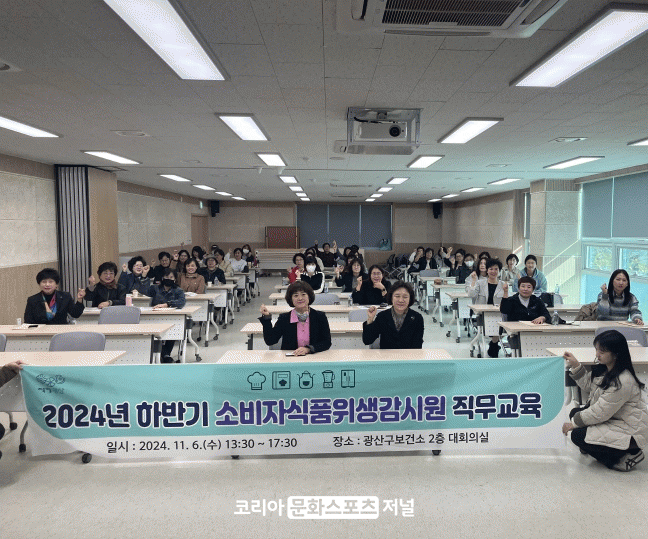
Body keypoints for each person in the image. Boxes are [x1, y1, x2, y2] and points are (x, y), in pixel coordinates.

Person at [563, 330, 647, 471]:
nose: (597, 354)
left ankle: (629, 455)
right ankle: (594, 445)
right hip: (615, 419)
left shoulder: (623, 380)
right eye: (596, 349)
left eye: (602, 351)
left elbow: (599, 412)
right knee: (575, 413)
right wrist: (575, 365)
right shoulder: (606, 369)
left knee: (577, 435)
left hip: (631, 431)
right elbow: (588, 385)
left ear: (616, 353)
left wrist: (573, 424)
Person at [258, 281, 331, 355]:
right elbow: (270, 340)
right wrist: (267, 318)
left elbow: (327, 342)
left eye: (303, 294)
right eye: (296, 295)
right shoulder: (284, 318)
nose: (300, 298)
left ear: (309, 296)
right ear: (291, 299)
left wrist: (309, 349)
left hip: (313, 358)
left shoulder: (320, 316)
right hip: (291, 359)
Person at [362, 281, 424, 349]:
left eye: (405, 297)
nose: (401, 300)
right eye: (397, 296)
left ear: (410, 299)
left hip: (408, 355)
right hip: (386, 355)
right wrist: (370, 319)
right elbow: (367, 340)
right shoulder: (382, 316)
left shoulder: (417, 318)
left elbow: (417, 346)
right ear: (391, 298)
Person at [146, 268, 186, 363]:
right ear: (162, 278)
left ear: (175, 279)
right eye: (166, 277)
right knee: (153, 334)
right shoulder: (155, 288)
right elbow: (144, 292)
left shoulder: (178, 290)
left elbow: (181, 302)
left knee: (173, 331)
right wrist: (144, 277)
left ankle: (165, 355)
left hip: (171, 319)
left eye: (171, 277)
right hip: (155, 318)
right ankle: (166, 356)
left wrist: (167, 304)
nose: (169, 279)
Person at [467, 259, 505, 357]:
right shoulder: (480, 283)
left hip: (499, 314)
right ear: (487, 270)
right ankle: (494, 344)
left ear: (499, 271)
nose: (493, 271)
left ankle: (494, 343)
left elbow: (507, 301)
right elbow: (471, 295)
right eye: (491, 269)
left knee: (502, 325)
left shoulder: (503, 285)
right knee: (495, 326)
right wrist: (473, 281)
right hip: (483, 314)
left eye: (496, 269)